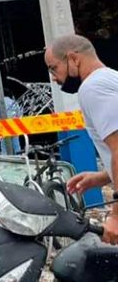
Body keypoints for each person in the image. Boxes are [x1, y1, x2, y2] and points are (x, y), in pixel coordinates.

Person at [44, 34, 118, 244]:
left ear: (73, 59)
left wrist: (116, 215)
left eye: (53, 68)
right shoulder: (110, 78)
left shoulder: (92, 87)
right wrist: (104, 176)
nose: (53, 77)